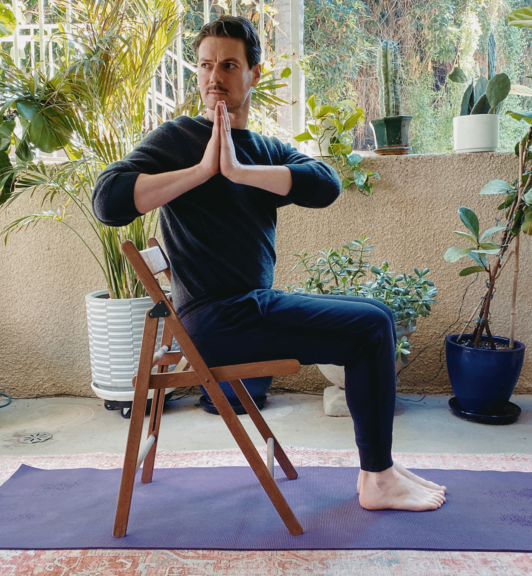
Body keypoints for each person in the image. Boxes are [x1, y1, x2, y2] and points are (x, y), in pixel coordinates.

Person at [93, 15, 445, 512]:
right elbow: (107, 201)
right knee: (369, 330)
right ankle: (378, 479)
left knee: (380, 316)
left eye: (229, 65)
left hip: (251, 306)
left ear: (254, 73)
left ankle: (379, 467)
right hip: (218, 320)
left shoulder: (261, 149)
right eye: (206, 65)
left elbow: (326, 184)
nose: (214, 76)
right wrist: (202, 171)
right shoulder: (179, 138)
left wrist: (241, 171)